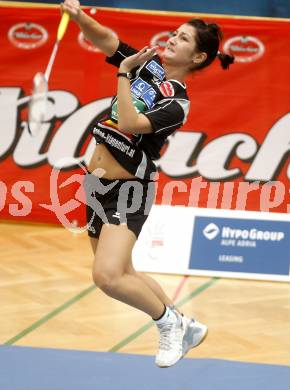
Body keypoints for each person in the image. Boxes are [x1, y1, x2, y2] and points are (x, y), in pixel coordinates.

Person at [61, 0, 234, 368]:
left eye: (183, 38)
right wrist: (79, 17)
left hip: (129, 191)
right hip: (97, 186)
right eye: (174, 32)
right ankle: (182, 323)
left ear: (198, 57)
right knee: (124, 274)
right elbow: (107, 40)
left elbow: (129, 123)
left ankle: (168, 325)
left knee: (107, 277)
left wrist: (124, 74)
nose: (173, 39)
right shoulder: (147, 65)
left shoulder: (178, 102)